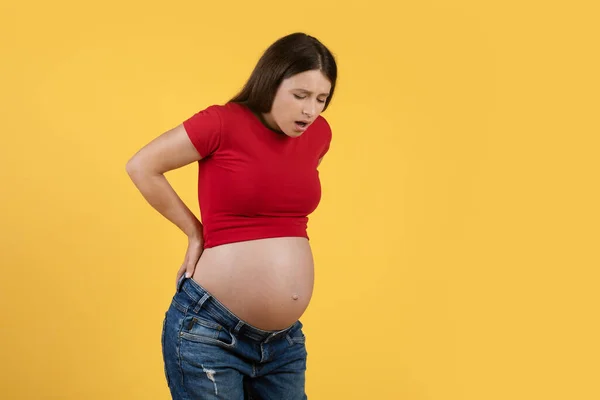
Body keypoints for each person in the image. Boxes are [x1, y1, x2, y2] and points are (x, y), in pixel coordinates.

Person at [126, 32, 337, 399]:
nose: (310, 110)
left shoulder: (319, 134)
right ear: (271, 83)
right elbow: (142, 166)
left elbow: (283, 204)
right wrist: (195, 233)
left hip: (283, 344)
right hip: (210, 334)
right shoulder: (222, 123)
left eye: (321, 98)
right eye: (300, 96)